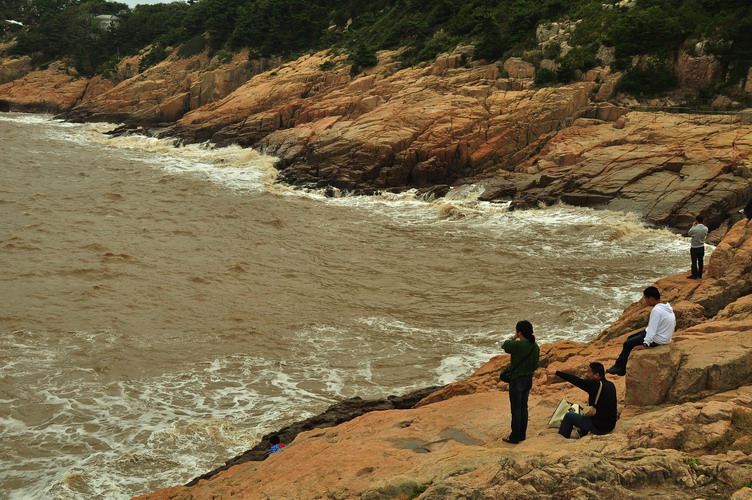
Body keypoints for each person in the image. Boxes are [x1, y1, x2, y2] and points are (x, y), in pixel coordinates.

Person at [606, 286, 675, 376]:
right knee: (629, 338)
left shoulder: (657, 311)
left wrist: (646, 344)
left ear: (651, 298)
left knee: (627, 344)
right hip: (665, 337)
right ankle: (617, 365)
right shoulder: (666, 306)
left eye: (646, 298)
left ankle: (622, 369)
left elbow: (652, 329)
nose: (645, 301)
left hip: (658, 338)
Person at [500, 320, 540, 444]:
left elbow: (504, 345)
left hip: (517, 380)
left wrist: (514, 337)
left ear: (520, 332)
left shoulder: (518, 345)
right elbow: (535, 365)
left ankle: (514, 437)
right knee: (524, 408)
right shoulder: (535, 346)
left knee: (516, 409)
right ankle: (522, 435)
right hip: (528, 379)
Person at [555, 362, 617, 439]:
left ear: (597, 375)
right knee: (585, 412)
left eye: (589, 372)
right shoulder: (611, 384)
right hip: (610, 425)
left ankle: (562, 438)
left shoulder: (595, 385)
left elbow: (577, 381)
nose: (587, 374)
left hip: (600, 427)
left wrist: (557, 372)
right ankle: (582, 433)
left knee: (569, 416)